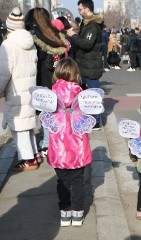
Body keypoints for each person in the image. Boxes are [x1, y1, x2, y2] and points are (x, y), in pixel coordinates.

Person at [45, 58, 92, 227]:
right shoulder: (81, 94)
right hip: (77, 144)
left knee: (62, 181)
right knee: (78, 180)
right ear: (76, 75)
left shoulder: (51, 94)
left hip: (59, 147)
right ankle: (78, 213)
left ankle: (65, 213)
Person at [0, 7, 39, 171]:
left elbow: (3, 72)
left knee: (19, 127)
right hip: (29, 88)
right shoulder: (30, 42)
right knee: (28, 124)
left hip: (15, 90)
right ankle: (34, 154)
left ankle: (28, 159)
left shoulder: (7, 44)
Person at [25, 7, 67, 157]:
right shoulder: (55, 34)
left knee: (46, 113)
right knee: (56, 112)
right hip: (58, 78)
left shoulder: (35, 36)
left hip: (43, 78)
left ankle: (46, 144)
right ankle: (57, 142)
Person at [67, 0, 103, 130]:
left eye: (80, 9)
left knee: (93, 94)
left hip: (91, 66)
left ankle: (96, 121)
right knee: (84, 94)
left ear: (87, 9)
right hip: (84, 65)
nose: (79, 11)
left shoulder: (93, 26)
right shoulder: (86, 24)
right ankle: (87, 118)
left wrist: (74, 36)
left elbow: (87, 44)